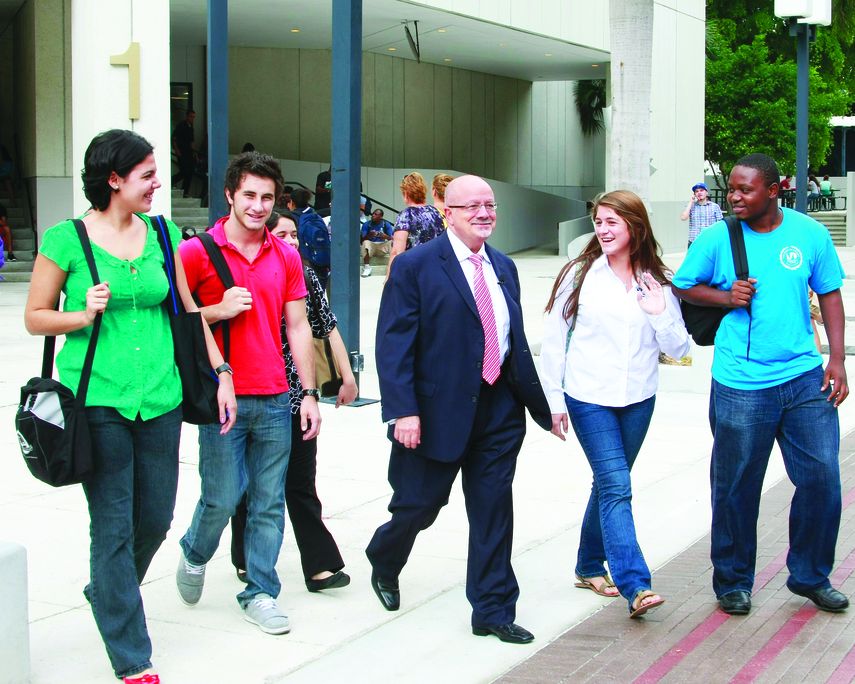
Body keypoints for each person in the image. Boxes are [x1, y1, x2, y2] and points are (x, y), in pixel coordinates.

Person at [23, 129, 237, 684]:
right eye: (146, 174)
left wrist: (221, 374)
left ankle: (108, 588)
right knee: (113, 525)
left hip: (161, 398)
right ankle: (132, 655)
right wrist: (80, 314)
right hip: (99, 400)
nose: (157, 184)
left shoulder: (163, 235)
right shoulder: (66, 239)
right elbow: (35, 316)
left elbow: (188, 314)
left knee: (156, 517)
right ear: (113, 179)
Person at [366, 175, 552, 644]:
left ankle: (492, 609)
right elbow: (394, 346)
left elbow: (514, 343)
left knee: (493, 512)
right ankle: (385, 558)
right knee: (418, 507)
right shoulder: (415, 267)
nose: (484, 213)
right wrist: (403, 411)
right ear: (447, 212)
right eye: (471, 206)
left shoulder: (505, 267)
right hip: (433, 413)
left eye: (490, 204)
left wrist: (543, 405)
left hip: (498, 412)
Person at [673, 152, 849, 617]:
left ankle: (810, 575)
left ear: (773, 190)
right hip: (741, 383)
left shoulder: (808, 234)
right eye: (730, 188)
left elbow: (830, 292)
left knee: (822, 479)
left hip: (803, 378)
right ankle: (732, 581)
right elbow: (685, 285)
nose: (733, 197)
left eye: (744, 189)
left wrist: (835, 358)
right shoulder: (718, 237)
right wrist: (725, 296)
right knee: (735, 486)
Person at [176, 151, 321, 635]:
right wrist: (216, 310)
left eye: (267, 197)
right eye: (249, 196)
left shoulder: (286, 254)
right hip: (224, 397)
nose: (259, 206)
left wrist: (309, 393)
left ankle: (259, 590)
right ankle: (196, 549)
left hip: (277, 396)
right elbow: (178, 325)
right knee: (221, 496)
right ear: (229, 196)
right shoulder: (197, 252)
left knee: (267, 501)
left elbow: (298, 327)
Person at [540, 190, 689, 619]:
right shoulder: (580, 274)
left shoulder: (657, 279)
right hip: (588, 398)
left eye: (612, 223)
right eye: (599, 222)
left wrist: (659, 310)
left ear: (635, 227)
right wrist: (553, 400)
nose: (602, 231)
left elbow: (678, 347)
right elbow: (553, 340)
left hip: (639, 398)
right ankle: (635, 584)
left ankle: (588, 565)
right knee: (618, 485)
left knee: (607, 484)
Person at [230, 211, 357, 592]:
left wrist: (346, 375)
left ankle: (319, 566)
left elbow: (326, 325)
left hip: (299, 396)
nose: (292, 241)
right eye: (282, 233)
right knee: (249, 485)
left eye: (295, 235)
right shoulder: (248, 275)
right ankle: (244, 557)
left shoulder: (305, 274)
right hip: (255, 394)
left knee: (300, 484)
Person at [387, 171, 445, 276]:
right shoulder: (436, 213)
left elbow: (397, 252)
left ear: (406, 193)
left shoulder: (406, 215)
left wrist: (388, 279)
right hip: (435, 272)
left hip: (413, 274)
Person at [288, 187, 331, 289]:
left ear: (292, 202)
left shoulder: (292, 218)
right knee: (318, 293)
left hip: (304, 261)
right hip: (321, 262)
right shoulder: (316, 216)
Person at [679, 182, 723, 247]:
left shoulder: (715, 206)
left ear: (706, 193)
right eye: (696, 191)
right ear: (694, 194)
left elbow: (720, 225)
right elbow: (683, 218)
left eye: (701, 190)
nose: (699, 192)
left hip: (710, 242)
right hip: (694, 242)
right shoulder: (691, 206)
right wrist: (691, 202)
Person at [360, 208, 394, 277]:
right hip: (371, 246)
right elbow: (362, 240)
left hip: (382, 246)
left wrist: (385, 236)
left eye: (376, 214)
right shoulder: (367, 224)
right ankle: (367, 267)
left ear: (381, 217)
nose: (373, 215)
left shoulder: (386, 224)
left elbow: (392, 238)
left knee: (391, 242)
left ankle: (392, 267)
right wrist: (369, 235)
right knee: (365, 242)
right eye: (373, 214)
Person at [171, 109, 196, 198]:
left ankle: (185, 192)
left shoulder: (191, 127)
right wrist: (177, 150)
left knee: (189, 172)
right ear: (187, 116)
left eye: (194, 117)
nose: (192, 119)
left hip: (189, 153)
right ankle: (171, 181)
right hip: (182, 152)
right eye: (191, 117)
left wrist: (194, 153)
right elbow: (174, 138)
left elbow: (192, 141)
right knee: (184, 171)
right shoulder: (181, 126)